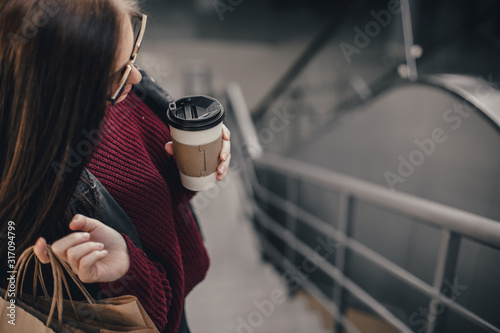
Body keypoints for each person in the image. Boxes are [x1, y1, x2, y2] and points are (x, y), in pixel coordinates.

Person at [0, 0, 231, 332]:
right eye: (119, 72)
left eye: (134, 51)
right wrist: (128, 268)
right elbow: (144, 323)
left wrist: (195, 167)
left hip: (180, 275)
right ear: (64, 95)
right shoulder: (44, 204)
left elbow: (157, 189)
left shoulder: (115, 77)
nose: (136, 76)